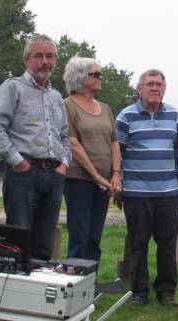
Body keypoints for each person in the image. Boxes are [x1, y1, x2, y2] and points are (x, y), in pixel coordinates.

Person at [0, 34, 70, 260]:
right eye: (38, 56)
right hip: (24, 175)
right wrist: (17, 162)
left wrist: (64, 164)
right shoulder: (12, 88)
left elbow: (65, 135)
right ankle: (17, 291)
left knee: (45, 244)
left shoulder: (56, 97)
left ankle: (40, 292)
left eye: (49, 56)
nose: (45, 61)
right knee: (18, 242)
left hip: (54, 175)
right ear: (26, 60)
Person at [115, 69, 178, 306]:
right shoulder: (126, 116)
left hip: (168, 194)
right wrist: (119, 184)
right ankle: (139, 292)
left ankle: (166, 291)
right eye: (150, 84)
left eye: (159, 84)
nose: (155, 88)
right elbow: (118, 154)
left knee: (167, 246)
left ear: (164, 89)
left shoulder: (174, 115)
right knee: (138, 244)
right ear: (140, 89)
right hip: (136, 193)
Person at [62, 57, 121, 263]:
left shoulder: (105, 108)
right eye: (95, 74)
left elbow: (114, 142)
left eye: (100, 73)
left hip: (104, 181)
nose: (100, 77)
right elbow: (72, 143)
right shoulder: (67, 106)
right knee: (79, 235)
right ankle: (75, 284)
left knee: (94, 237)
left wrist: (115, 174)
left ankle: (90, 284)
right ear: (80, 77)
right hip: (78, 180)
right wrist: (96, 176)